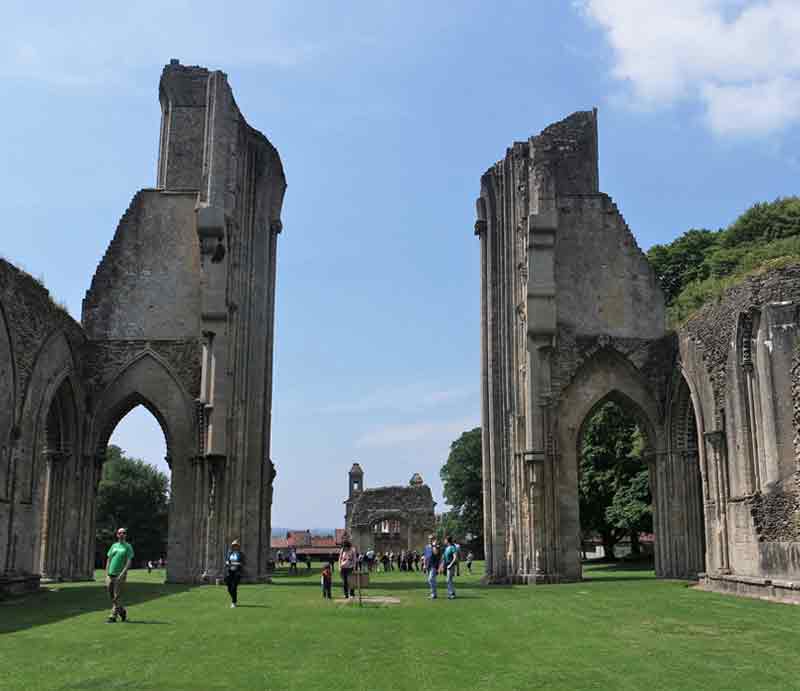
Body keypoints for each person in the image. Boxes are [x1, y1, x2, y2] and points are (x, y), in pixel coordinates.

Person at [105, 527, 134, 623]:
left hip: (120, 575)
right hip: (110, 574)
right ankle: (122, 611)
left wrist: (122, 574)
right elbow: (109, 559)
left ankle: (112, 616)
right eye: (120, 533)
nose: (122, 534)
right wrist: (106, 573)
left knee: (116, 596)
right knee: (111, 596)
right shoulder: (114, 546)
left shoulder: (128, 546)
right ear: (117, 535)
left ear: (125, 535)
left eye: (124, 533)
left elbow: (129, 562)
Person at [225, 539, 245, 608]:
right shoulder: (230, 553)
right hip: (230, 572)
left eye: (236, 545)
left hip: (237, 573)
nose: (235, 547)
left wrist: (233, 563)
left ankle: (234, 602)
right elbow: (227, 561)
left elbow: (242, 563)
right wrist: (227, 563)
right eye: (233, 545)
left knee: (234, 587)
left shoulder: (241, 554)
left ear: (238, 546)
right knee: (229, 588)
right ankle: (234, 599)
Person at [422, 534, 440, 600]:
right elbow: (425, 557)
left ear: (434, 539)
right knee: (432, 580)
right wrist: (424, 565)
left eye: (431, 538)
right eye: (429, 538)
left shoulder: (436, 546)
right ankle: (434, 594)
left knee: (430, 579)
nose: (430, 540)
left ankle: (433, 594)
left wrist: (433, 546)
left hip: (434, 565)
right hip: (428, 565)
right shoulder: (426, 547)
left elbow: (436, 553)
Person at [443, 535, 458, 600]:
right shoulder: (446, 548)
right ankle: (452, 593)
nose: (444, 541)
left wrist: (450, 565)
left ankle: (451, 594)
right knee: (449, 580)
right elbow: (444, 557)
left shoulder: (452, 547)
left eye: (445, 540)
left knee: (448, 580)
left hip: (450, 566)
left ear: (447, 540)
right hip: (446, 565)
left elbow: (455, 557)